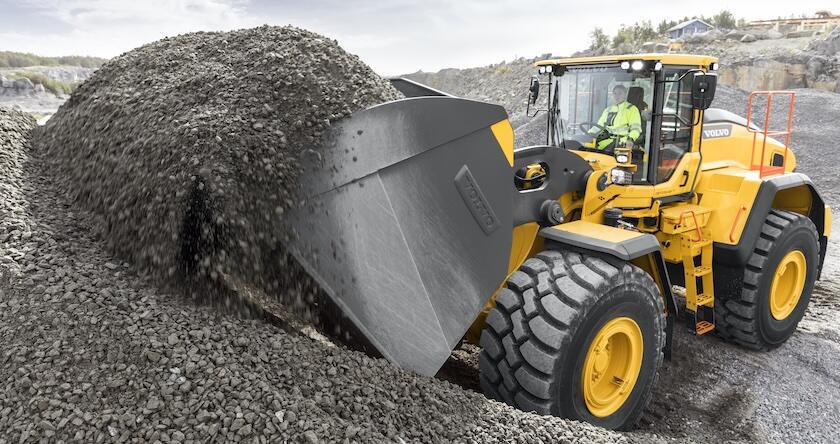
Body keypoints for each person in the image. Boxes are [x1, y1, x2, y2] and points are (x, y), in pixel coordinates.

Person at [589, 85, 642, 150]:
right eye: (615, 93)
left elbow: (636, 128)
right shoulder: (608, 110)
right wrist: (589, 134)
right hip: (606, 140)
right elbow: (599, 126)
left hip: (622, 142)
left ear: (625, 95)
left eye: (620, 93)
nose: (617, 96)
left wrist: (630, 139)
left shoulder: (631, 109)